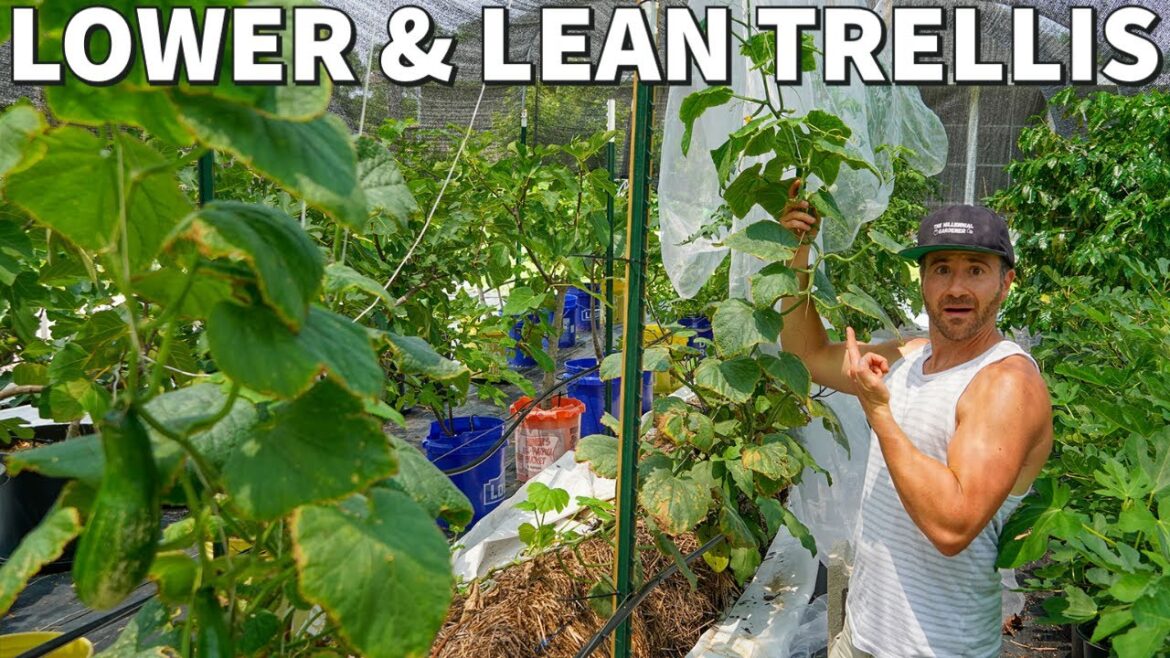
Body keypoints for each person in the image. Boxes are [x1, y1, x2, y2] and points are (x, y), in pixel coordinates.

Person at [777, 181, 1053, 658]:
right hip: (861, 635)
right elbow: (807, 354)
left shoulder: (1005, 384)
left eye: (976, 270)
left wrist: (879, 412)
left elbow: (952, 527)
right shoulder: (909, 356)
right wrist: (796, 253)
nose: (956, 287)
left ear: (1005, 283)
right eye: (941, 268)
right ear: (922, 280)